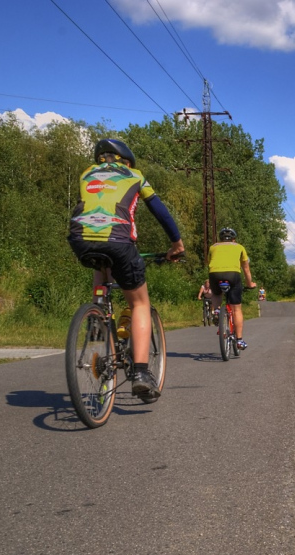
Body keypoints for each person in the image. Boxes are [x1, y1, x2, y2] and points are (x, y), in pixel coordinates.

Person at [67, 138, 184, 402]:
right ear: (126, 160)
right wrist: (176, 243)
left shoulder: (87, 173)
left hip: (79, 239)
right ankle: (141, 374)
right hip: (119, 241)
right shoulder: (135, 175)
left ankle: (97, 317)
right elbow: (160, 212)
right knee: (140, 303)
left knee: (101, 260)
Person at [207, 227, 256, 349]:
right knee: (236, 309)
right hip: (233, 275)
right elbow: (246, 268)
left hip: (215, 274)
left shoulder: (213, 247)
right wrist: (250, 284)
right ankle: (239, 341)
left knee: (217, 294)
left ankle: (217, 311)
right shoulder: (239, 247)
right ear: (234, 239)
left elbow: (209, 262)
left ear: (221, 239)